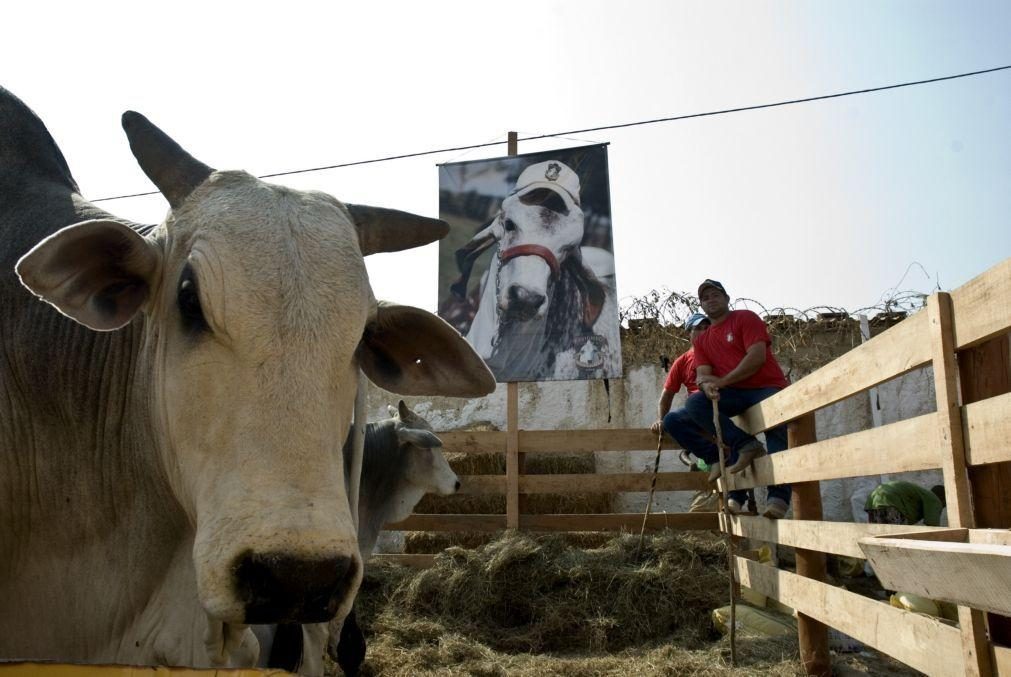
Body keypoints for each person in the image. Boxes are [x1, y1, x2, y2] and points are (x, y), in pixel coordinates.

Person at [665, 279, 791, 519]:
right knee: (693, 405)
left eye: (715, 295)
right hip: (734, 394)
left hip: (765, 386)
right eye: (705, 298)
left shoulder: (745, 318)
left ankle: (778, 498)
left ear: (726, 298)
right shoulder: (702, 340)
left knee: (776, 427)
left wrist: (720, 382)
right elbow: (702, 374)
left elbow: (757, 358)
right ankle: (742, 446)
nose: (711, 300)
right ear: (702, 305)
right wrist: (706, 385)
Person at [864, 481, 946, 526]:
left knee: (879, 538)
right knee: (898, 538)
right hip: (890, 500)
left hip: (874, 499)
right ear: (943, 500)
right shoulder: (935, 500)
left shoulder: (924, 496)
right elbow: (932, 525)